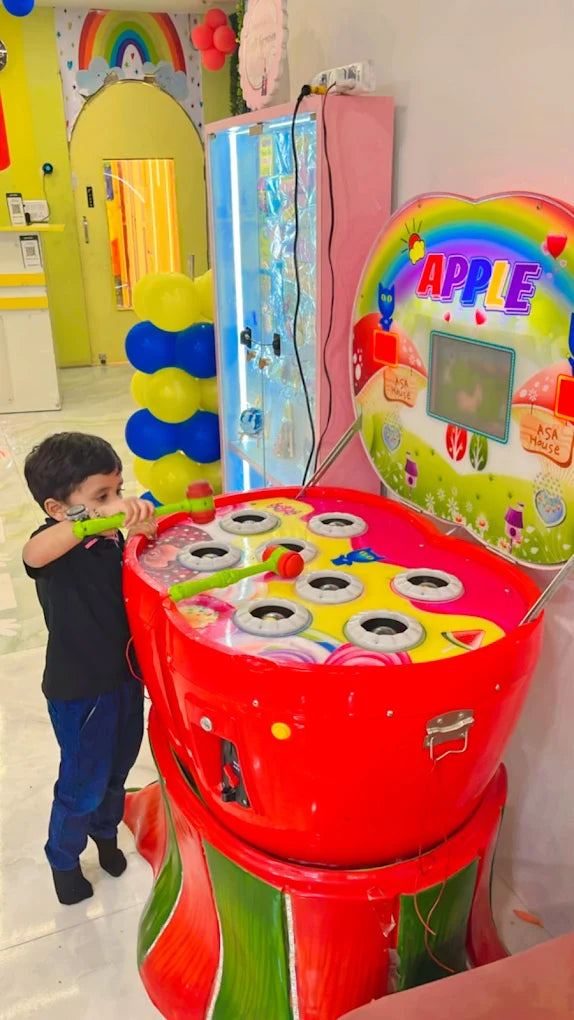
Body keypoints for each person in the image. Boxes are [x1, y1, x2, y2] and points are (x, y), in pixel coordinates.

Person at [23, 432, 157, 905]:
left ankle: (105, 836)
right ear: (59, 509)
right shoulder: (52, 544)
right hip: (80, 692)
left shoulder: (108, 536)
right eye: (102, 496)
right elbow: (32, 555)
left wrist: (136, 529)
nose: (115, 503)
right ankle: (63, 857)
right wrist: (91, 521)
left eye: (117, 491)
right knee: (82, 784)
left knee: (117, 770)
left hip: (123, 681)